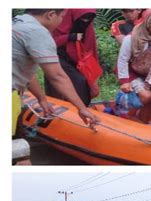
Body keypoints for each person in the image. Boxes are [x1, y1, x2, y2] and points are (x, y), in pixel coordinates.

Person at [12, 9, 99, 139]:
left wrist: (42, 98)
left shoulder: (17, 22)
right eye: (62, 17)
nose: (62, 21)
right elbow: (57, 76)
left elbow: (25, 71)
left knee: (19, 149)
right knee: (15, 149)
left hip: (14, 91)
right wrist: (82, 108)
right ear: (51, 15)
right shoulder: (37, 32)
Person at [45, 9, 101, 106]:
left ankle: (80, 110)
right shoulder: (58, 22)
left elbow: (91, 49)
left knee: (85, 85)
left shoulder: (88, 26)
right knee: (76, 82)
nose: (86, 20)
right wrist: (69, 37)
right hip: (57, 55)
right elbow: (48, 42)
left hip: (78, 60)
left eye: (89, 18)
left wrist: (92, 74)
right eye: (83, 18)